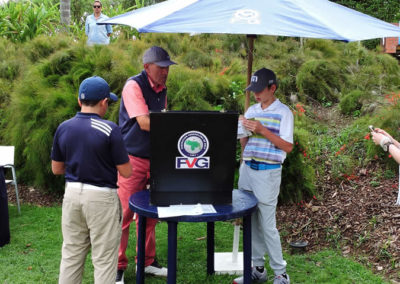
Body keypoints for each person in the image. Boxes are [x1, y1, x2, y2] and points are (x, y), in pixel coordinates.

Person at [51, 76, 132, 284]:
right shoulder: (110, 129)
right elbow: (127, 172)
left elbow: (56, 168)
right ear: (104, 102)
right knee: (104, 259)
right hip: (101, 198)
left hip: (72, 195)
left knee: (71, 254)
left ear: (79, 100)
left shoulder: (63, 127)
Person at [116, 46, 176, 283]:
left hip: (155, 159)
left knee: (151, 214)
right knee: (124, 213)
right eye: (161, 67)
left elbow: (160, 119)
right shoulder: (133, 86)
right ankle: (117, 265)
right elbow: (144, 122)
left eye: (167, 67)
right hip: (132, 159)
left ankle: (147, 261)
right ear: (146, 67)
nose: (165, 72)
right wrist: (177, 127)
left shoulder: (162, 89)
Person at [233, 68, 293, 284]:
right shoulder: (251, 110)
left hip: (268, 173)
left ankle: (281, 273)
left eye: (260, 90)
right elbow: (244, 141)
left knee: (267, 224)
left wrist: (262, 129)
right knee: (249, 220)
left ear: (272, 88)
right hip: (248, 169)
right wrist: (244, 130)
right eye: (253, 89)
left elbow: (288, 146)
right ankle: (257, 269)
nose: (256, 94)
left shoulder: (284, 112)